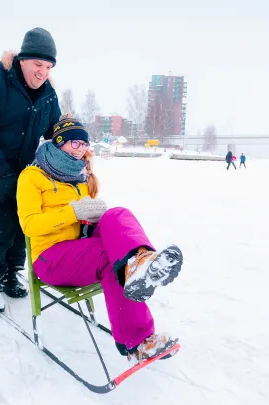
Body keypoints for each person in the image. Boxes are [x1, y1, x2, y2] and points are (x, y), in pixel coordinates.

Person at [17, 117, 183, 363]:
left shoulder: (80, 177)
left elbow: (86, 221)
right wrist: (73, 212)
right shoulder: (32, 176)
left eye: (84, 144)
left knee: (118, 214)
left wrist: (93, 215)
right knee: (112, 258)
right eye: (76, 143)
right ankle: (138, 341)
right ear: (59, 142)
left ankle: (141, 261)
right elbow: (29, 225)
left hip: (79, 250)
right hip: (50, 258)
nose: (81, 149)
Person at [0, 27, 62, 312]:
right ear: (22, 60)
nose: (43, 72)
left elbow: (56, 131)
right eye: (38, 64)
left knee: (22, 225)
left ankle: (10, 274)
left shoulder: (48, 95)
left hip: (24, 173)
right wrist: (3, 172)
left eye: (48, 66)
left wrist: (74, 144)